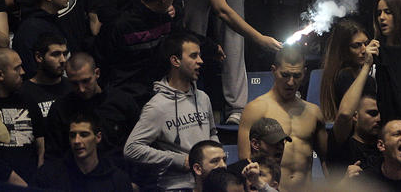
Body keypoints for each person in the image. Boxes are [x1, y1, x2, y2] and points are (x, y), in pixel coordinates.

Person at [124, 32, 217, 191]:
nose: (200, 61)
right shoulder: (157, 106)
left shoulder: (203, 98)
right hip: (177, 186)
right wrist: (179, 160)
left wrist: (216, 158)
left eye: (200, 55)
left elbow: (212, 132)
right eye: (194, 56)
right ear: (175, 61)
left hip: (208, 184)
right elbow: (131, 148)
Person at [236, 45, 325, 191]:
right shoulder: (255, 109)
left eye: (296, 76)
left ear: (304, 73)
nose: (291, 82)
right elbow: (246, 163)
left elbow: (326, 163)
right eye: (285, 75)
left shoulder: (314, 112)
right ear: (273, 70)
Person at [45, 52, 139, 162]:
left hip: (120, 171)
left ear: (97, 73)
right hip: (76, 174)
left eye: (86, 81)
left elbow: (139, 144)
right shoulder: (60, 109)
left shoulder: (122, 102)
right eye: (74, 83)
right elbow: (53, 155)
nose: (81, 89)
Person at [0, 48, 44, 185]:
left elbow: (41, 140)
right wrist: (9, 178)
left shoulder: (28, 101)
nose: (23, 72)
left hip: (33, 183)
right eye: (17, 69)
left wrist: (41, 172)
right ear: (0, 75)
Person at [36, 111, 133, 190]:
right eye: (72, 135)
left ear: (98, 137)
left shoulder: (117, 180)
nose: (77, 141)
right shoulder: (49, 175)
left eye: (84, 135)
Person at [20, 32, 71, 118]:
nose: (63, 60)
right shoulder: (24, 92)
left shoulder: (74, 86)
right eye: (56, 54)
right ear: (39, 57)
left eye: (65, 54)